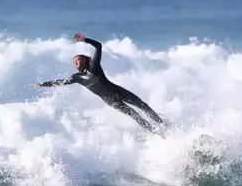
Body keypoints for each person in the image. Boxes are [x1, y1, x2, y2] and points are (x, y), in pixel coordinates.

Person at [32, 32, 167, 133]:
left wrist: (85, 40)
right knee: (135, 115)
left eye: (78, 60)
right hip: (111, 101)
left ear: (84, 60)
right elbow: (60, 82)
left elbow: (98, 46)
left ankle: (163, 125)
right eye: (74, 62)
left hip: (118, 91)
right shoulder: (77, 78)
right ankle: (156, 133)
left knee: (143, 106)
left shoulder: (94, 67)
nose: (76, 63)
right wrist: (41, 84)